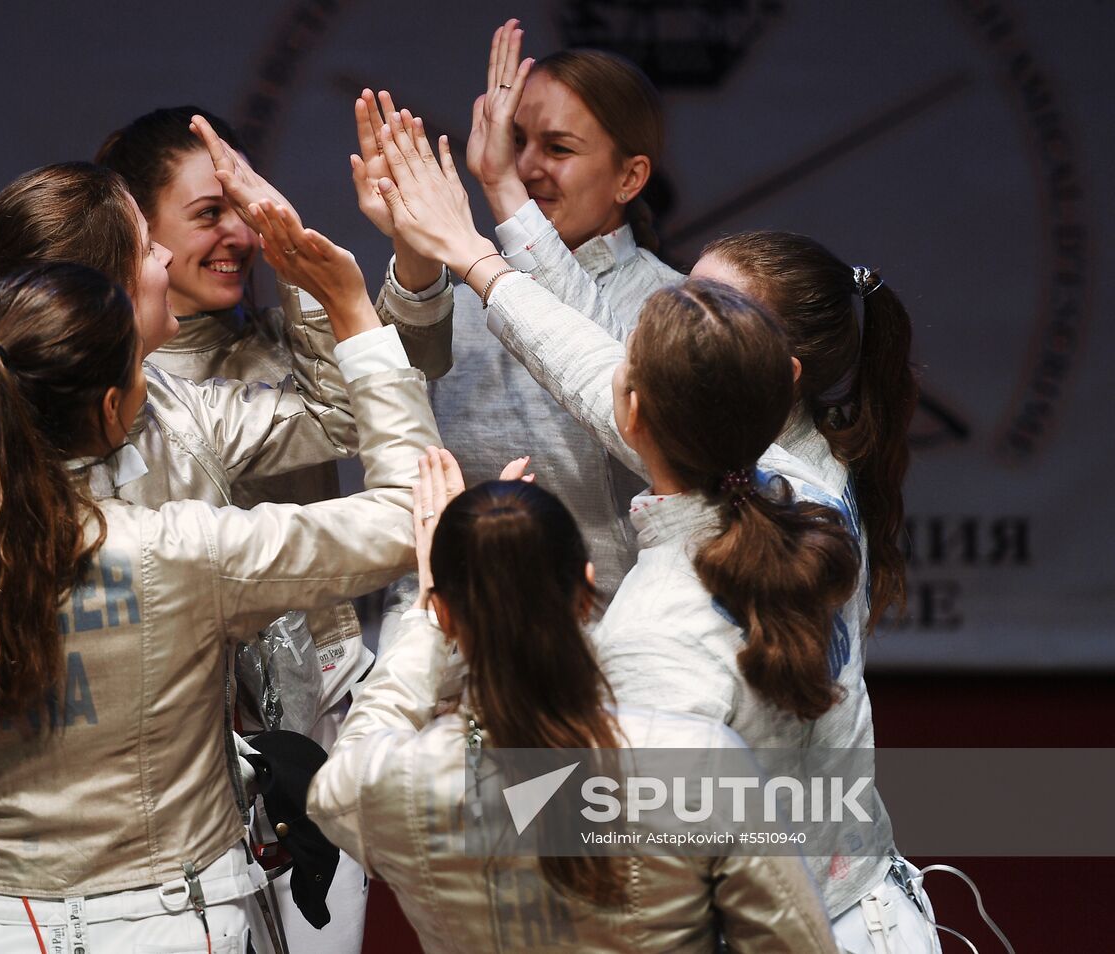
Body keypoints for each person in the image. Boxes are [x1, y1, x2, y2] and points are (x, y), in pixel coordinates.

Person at [0, 211, 439, 951]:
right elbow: (407, 517)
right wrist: (351, 309)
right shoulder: (180, 550)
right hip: (181, 928)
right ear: (111, 409)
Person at [371, 111, 940, 952]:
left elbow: (586, 841)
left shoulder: (656, 630)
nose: (653, 321)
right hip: (872, 919)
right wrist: (484, 236)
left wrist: (481, 627)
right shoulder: (808, 493)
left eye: (701, 313)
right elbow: (595, 353)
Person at [306, 452, 838, 953]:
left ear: (446, 614)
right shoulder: (695, 761)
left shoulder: (394, 786)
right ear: (586, 589)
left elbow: (341, 778)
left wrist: (425, 617)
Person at [97, 107, 376, 953]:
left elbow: (355, 414)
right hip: (180, 731)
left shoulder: (292, 336)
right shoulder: (103, 391)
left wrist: (304, 270)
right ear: (138, 234)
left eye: (245, 209)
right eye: (210, 213)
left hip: (324, 700)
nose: (240, 236)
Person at [355, 20, 680, 607]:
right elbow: (392, 409)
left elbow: (636, 419)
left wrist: (499, 186)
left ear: (630, 177)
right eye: (517, 141)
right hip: (457, 638)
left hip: (605, 654)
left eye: (557, 148)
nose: (525, 165)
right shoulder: (469, 284)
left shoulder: (673, 306)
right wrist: (411, 244)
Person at [0, 161, 358, 513]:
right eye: (147, 248)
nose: (165, 256)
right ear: (99, 292)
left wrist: (298, 260)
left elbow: (331, 417)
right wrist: (337, 288)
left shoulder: (178, 411)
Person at [693, 232, 918, 631]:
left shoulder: (793, 499)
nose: (669, 326)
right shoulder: (798, 441)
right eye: (680, 299)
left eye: (705, 320)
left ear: (777, 374)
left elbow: (591, 379)